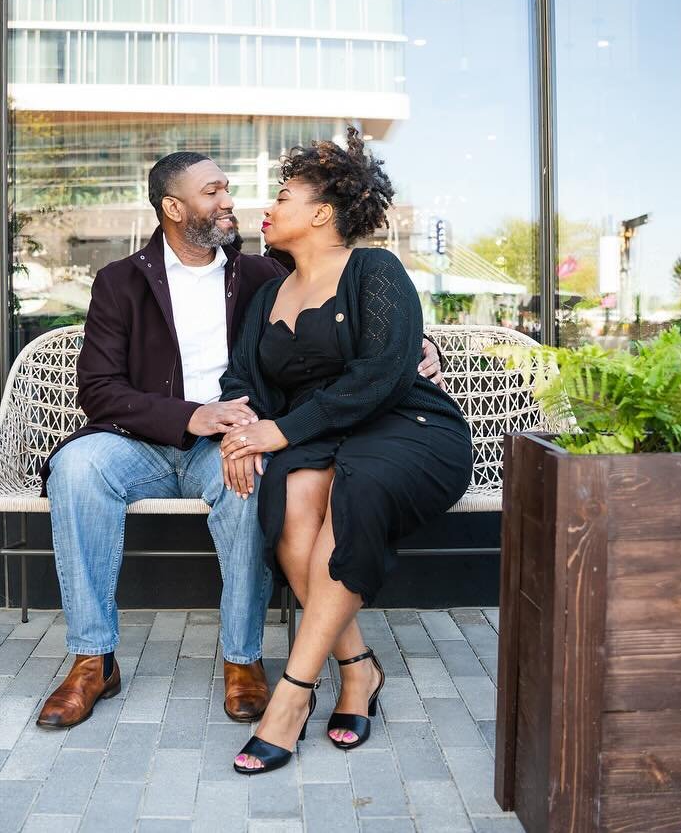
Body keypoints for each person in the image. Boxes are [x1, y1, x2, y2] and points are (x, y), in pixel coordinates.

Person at [35, 151, 444, 730]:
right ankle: (91, 659)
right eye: (213, 191)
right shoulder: (119, 282)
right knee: (76, 468)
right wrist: (189, 416)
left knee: (249, 483)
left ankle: (243, 659)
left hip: (232, 438)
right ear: (174, 208)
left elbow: (340, 311)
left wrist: (422, 346)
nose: (230, 201)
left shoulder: (260, 273)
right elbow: (99, 391)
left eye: (228, 189)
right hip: (140, 440)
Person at [217, 128, 474, 774]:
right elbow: (241, 380)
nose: (268, 208)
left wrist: (280, 432)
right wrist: (243, 431)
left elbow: (385, 372)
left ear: (323, 212)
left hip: (408, 424)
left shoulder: (374, 270)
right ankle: (357, 669)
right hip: (322, 435)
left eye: (283, 194)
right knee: (289, 493)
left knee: (351, 485)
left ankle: (291, 698)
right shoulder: (265, 295)